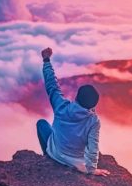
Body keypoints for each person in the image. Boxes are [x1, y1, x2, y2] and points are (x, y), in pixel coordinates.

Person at [36, 47, 110, 176]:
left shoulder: (61, 107)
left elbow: (52, 85)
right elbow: (93, 148)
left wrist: (46, 60)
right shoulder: (93, 121)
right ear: (93, 106)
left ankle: (47, 155)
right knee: (89, 140)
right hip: (76, 163)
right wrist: (92, 170)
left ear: (76, 97)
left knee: (42, 124)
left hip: (55, 153)